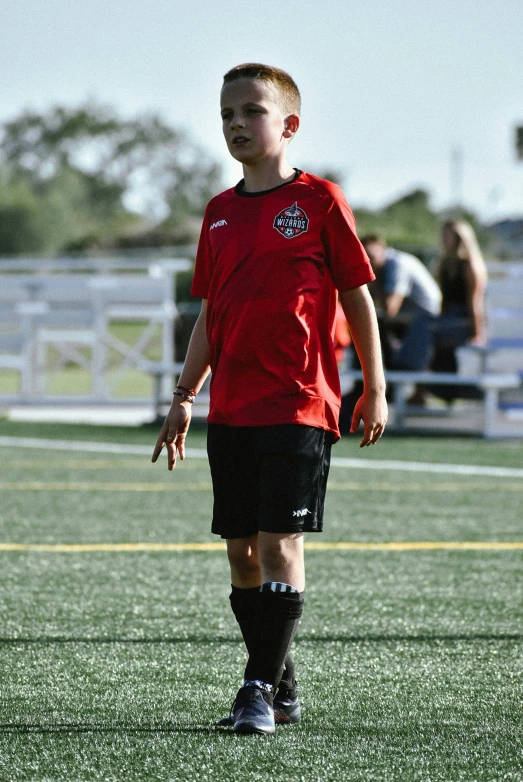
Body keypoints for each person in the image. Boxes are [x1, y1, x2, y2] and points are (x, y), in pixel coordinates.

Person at [151, 63, 387, 736]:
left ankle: (255, 689)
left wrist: (374, 385)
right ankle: (281, 686)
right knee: (241, 552)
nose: (235, 124)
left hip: (299, 403)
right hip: (232, 409)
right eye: (226, 113)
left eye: (251, 112)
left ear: (287, 125)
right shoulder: (219, 213)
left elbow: (356, 296)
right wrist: (183, 396)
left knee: (281, 543)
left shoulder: (318, 201)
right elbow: (210, 314)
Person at [408, 220, 488, 404]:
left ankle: (413, 377)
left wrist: (478, 333)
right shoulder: (445, 264)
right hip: (448, 319)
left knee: (425, 329)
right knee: (423, 325)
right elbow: (444, 302)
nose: (444, 239)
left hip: (465, 321)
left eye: (448, 235)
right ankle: (420, 384)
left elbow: (474, 302)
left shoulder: (470, 265)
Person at [360, 235, 441, 369]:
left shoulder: (397, 264)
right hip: (412, 318)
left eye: (370, 256)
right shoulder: (386, 263)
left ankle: (387, 375)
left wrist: (372, 277)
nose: (368, 260)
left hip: (426, 320)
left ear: (382, 249)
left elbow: (390, 309)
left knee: (371, 324)